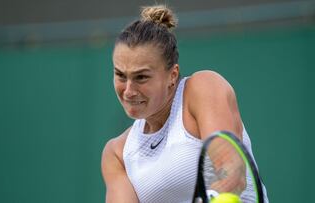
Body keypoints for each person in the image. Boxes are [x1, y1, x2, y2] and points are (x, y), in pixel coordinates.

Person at [101, 4, 268, 203]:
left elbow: (230, 172)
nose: (128, 91)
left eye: (141, 77)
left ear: (172, 75)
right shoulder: (117, 154)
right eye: (120, 75)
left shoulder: (203, 88)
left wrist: (218, 195)